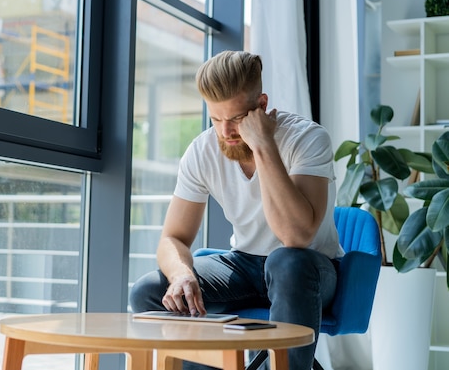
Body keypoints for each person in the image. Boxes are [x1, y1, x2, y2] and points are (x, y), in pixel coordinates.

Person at [129, 50, 344, 370]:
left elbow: (296, 236)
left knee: (287, 262)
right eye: (216, 119)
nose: (226, 132)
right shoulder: (202, 151)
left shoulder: (307, 138)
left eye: (236, 119)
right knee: (149, 291)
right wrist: (182, 274)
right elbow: (172, 239)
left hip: (308, 268)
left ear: (261, 106)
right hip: (243, 265)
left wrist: (263, 145)